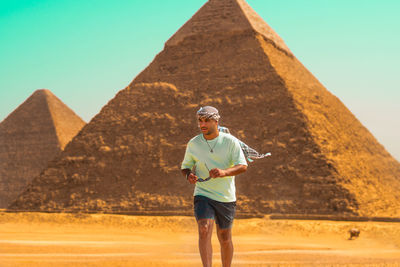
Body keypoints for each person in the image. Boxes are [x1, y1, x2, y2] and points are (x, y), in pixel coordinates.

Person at [181, 106, 248, 267]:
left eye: (206, 120)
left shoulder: (230, 142)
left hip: (225, 197)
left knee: (224, 237)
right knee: (204, 229)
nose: (202, 124)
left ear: (216, 121)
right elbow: (185, 166)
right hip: (203, 193)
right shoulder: (194, 143)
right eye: (200, 121)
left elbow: (242, 166)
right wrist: (189, 175)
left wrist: (224, 172)